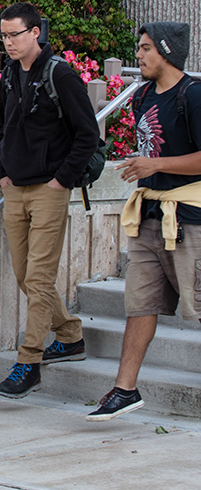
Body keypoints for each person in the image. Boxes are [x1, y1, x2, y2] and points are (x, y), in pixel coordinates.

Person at [86, 21, 201, 421]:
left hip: (189, 219)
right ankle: (124, 389)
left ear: (167, 52)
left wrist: (157, 163)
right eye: (139, 47)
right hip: (149, 215)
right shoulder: (143, 95)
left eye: (146, 48)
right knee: (140, 304)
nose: (139, 55)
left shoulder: (194, 95)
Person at [0, 2, 99, 399]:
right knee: (25, 276)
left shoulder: (61, 75)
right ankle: (70, 335)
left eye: (15, 34)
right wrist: (1, 172)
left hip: (49, 191)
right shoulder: (7, 76)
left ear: (36, 32)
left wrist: (61, 181)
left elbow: (88, 134)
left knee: (37, 279)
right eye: (4, 35)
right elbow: (3, 128)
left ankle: (28, 362)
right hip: (14, 187)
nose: (9, 42)